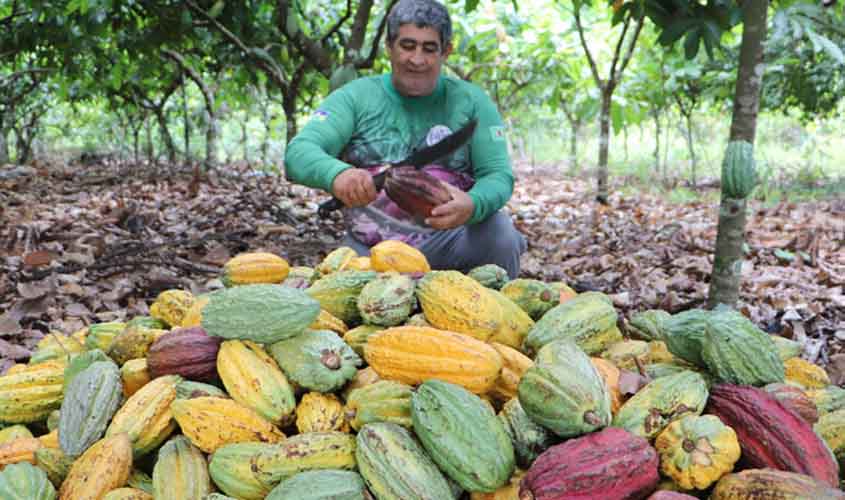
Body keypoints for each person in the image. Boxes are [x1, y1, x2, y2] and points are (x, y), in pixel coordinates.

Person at [284, 0, 526, 278]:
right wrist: (336, 175)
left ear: (446, 51)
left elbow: (498, 175)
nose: (417, 60)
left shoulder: (471, 102)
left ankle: (499, 314)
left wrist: (473, 204)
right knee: (344, 300)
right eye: (407, 46)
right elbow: (298, 153)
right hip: (374, 249)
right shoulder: (355, 97)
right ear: (389, 47)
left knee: (500, 233)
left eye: (429, 48)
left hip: (448, 241)